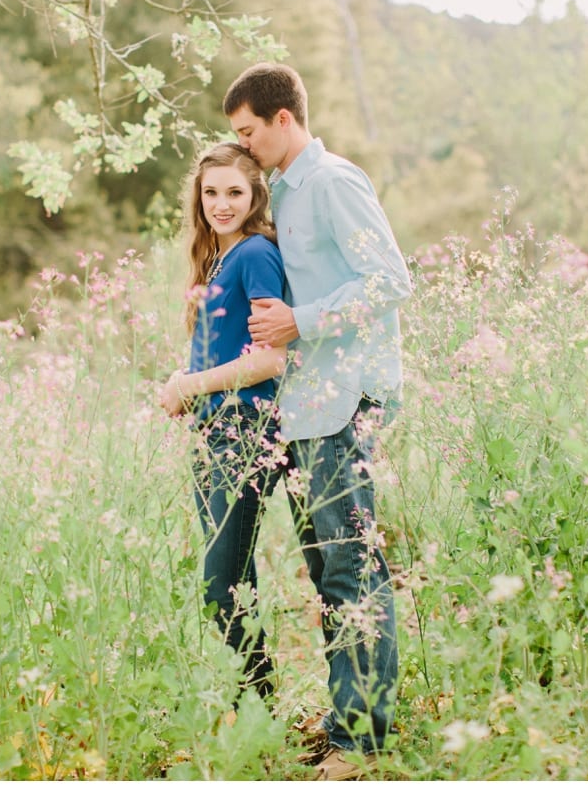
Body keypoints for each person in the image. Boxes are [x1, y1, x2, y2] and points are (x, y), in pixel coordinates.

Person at [223, 62, 412, 781]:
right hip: (307, 406)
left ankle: (362, 742)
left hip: (344, 400)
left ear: (282, 119)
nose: (244, 147)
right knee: (325, 569)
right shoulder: (288, 193)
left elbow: (391, 280)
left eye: (248, 133)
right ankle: (345, 724)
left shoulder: (333, 182)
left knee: (352, 569)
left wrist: (300, 320)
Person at [158, 142, 288, 704]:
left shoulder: (257, 253)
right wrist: (186, 384)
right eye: (211, 192)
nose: (221, 203)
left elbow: (269, 358)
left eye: (234, 192)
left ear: (255, 194)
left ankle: (260, 704)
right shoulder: (217, 258)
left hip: (247, 428)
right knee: (230, 579)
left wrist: (192, 385)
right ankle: (256, 707)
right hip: (215, 430)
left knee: (221, 582)